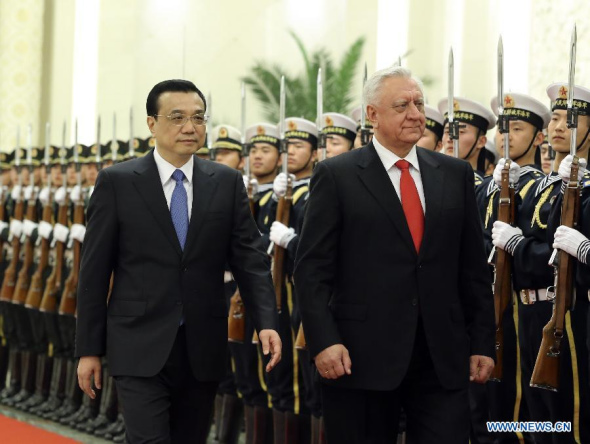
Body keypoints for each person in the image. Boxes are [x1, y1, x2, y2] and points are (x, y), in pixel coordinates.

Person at [294, 66, 496, 443]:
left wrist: (482, 341)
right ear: (372, 115)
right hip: (359, 355)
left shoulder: (453, 175)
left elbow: (472, 269)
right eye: (401, 105)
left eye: (419, 104)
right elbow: (312, 271)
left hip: (441, 355)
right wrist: (323, 340)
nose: (416, 114)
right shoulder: (337, 176)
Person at [75, 79, 282, 444]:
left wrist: (266, 321)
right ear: (152, 123)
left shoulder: (226, 182)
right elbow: (93, 272)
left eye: (198, 118)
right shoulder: (118, 182)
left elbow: (249, 260)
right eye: (177, 117)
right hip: (138, 342)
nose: (190, 127)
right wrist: (88, 349)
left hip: (201, 344)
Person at [438, 97, 496, 187]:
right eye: (447, 132)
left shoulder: (483, 188)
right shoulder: (434, 180)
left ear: (481, 141)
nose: (450, 138)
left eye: (460, 132)